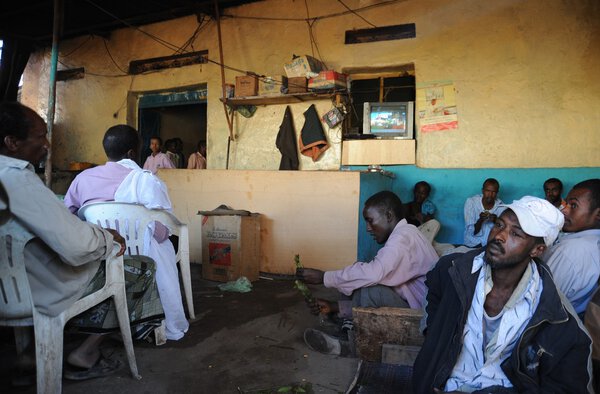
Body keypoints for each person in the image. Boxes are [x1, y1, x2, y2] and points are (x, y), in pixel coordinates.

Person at [0, 102, 161, 381]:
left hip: (8, 286)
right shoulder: (17, 180)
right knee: (139, 267)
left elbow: (69, 212)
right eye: (40, 136)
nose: (47, 144)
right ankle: (85, 352)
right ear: (12, 142)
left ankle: (30, 355)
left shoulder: (83, 177)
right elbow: (78, 246)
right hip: (35, 292)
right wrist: (107, 238)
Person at [413, 196, 592, 393]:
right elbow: (433, 287)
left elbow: (566, 386)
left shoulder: (556, 316)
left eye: (515, 233)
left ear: (537, 250)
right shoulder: (452, 269)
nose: (499, 236)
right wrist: (436, 336)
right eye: (499, 224)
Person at [64, 125, 189, 341]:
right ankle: (153, 320)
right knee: (163, 244)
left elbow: (69, 217)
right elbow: (161, 232)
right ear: (133, 152)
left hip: (99, 256)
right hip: (141, 260)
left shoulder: (82, 179)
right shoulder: (146, 180)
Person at [297, 191, 438, 356]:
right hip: (416, 308)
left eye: (370, 221)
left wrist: (324, 277)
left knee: (370, 286)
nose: (368, 228)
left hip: (423, 319)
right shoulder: (406, 233)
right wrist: (335, 306)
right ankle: (346, 323)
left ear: (389, 215)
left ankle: (351, 344)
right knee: (359, 275)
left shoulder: (402, 239)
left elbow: (373, 275)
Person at [544, 179, 600, 316]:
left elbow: (543, 302)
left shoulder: (570, 251)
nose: (565, 211)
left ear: (598, 214)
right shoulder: (592, 242)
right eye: (566, 204)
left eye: (573, 205)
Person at [463, 178, 504, 247]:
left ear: (497, 193)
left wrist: (496, 221)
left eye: (493, 192)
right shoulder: (471, 203)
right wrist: (480, 220)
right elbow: (471, 232)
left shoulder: (501, 207)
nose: (490, 195)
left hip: (490, 246)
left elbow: (503, 232)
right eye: (487, 191)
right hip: (472, 245)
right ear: (482, 191)